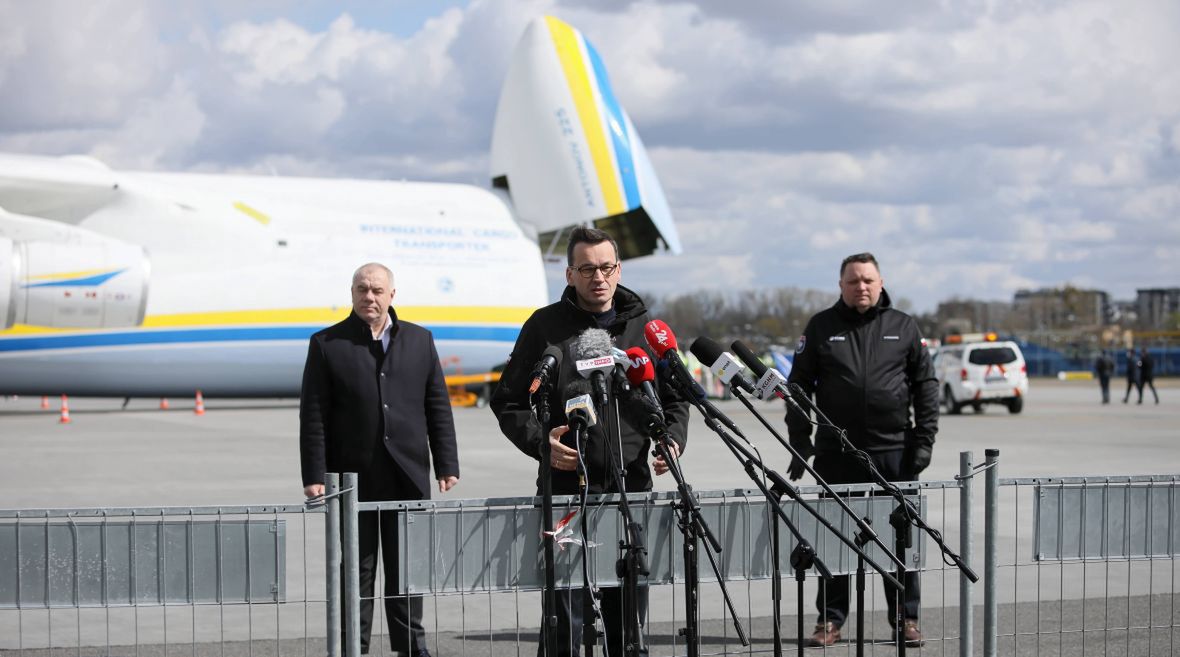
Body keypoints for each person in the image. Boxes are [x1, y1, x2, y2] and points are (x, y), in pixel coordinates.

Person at [491, 226, 690, 657]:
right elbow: (508, 402)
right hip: (565, 494)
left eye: (605, 267)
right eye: (586, 269)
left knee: (628, 627)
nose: (597, 277)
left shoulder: (645, 326)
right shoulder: (544, 327)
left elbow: (677, 399)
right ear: (569, 274)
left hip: (630, 489)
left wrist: (671, 440)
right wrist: (543, 442)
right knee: (564, 622)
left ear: (617, 270)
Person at [300, 263, 460, 657]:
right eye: (361, 289)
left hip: (408, 475)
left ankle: (412, 647)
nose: (368, 297)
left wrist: (446, 463)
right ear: (351, 293)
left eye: (376, 290)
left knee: (407, 570)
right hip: (353, 479)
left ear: (392, 295)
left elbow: (437, 405)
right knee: (357, 572)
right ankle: (354, 647)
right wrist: (314, 473)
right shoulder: (327, 343)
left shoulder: (420, 340)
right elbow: (313, 414)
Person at [784, 252, 939, 648]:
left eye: (868, 280)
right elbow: (798, 388)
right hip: (837, 454)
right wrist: (800, 442)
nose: (861, 287)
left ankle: (906, 618)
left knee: (899, 539)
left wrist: (923, 442)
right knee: (836, 538)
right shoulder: (821, 327)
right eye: (853, 281)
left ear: (881, 282)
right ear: (841, 285)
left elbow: (926, 387)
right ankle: (830, 621)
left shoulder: (903, 326)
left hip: (895, 453)